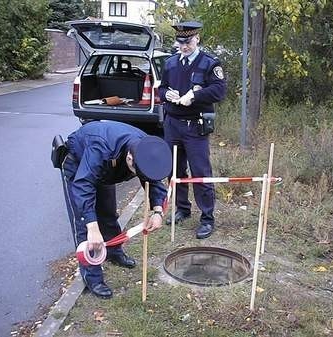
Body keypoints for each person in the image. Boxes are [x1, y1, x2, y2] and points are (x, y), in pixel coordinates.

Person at [58, 121, 171, 299]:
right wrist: (92, 227)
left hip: (105, 171)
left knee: (109, 213)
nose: (137, 178)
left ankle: (114, 252)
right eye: (136, 173)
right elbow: (84, 184)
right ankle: (93, 278)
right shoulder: (100, 147)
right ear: (130, 159)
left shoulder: (145, 147)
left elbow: (153, 181)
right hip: (79, 166)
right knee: (85, 226)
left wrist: (157, 211)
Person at [159, 21, 227, 239]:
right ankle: (182, 209)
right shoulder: (170, 63)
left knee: (201, 172)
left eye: (187, 42)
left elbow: (219, 91)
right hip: (172, 125)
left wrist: (195, 96)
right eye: (180, 42)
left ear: (197, 38)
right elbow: (161, 87)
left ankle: (207, 218)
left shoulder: (209, 63)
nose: (184, 46)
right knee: (174, 171)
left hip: (195, 126)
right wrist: (165, 94)